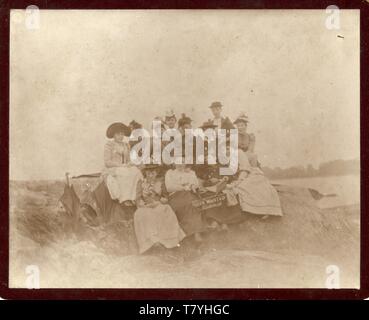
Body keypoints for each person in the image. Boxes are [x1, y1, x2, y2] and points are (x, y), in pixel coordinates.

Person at [133, 164, 185, 254]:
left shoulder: (160, 182)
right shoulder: (141, 183)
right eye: (148, 173)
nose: (150, 175)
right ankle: (152, 242)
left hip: (158, 204)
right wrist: (142, 204)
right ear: (145, 172)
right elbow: (137, 198)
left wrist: (159, 200)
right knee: (142, 214)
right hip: (145, 206)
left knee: (165, 210)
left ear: (156, 173)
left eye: (153, 173)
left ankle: (167, 242)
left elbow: (165, 197)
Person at [226, 149, 283, 217]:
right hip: (238, 177)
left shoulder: (238, 153)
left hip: (249, 174)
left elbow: (245, 170)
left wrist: (237, 182)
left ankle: (263, 210)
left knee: (246, 187)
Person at [165, 157, 205, 242]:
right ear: (174, 163)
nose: (180, 164)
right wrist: (184, 187)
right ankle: (195, 233)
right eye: (177, 162)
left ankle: (196, 233)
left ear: (185, 163)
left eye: (182, 162)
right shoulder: (170, 173)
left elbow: (195, 184)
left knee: (193, 203)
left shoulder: (190, 172)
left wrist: (192, 186)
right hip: (175, 196)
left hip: (189, 195)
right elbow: (169, 188)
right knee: (188, 203)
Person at [103, 122, 143, 205]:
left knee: (136, 171)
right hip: (112, 169)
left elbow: (128, 160)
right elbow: (107, 162)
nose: (120, 136)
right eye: (118, 134)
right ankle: (124, 199)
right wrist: (121, 165)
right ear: (113, 135)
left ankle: (133, 198)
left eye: (122, 134)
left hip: (124, 167)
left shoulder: (126, 145)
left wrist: (131, 163)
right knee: (123, 172)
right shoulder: (109, 145)